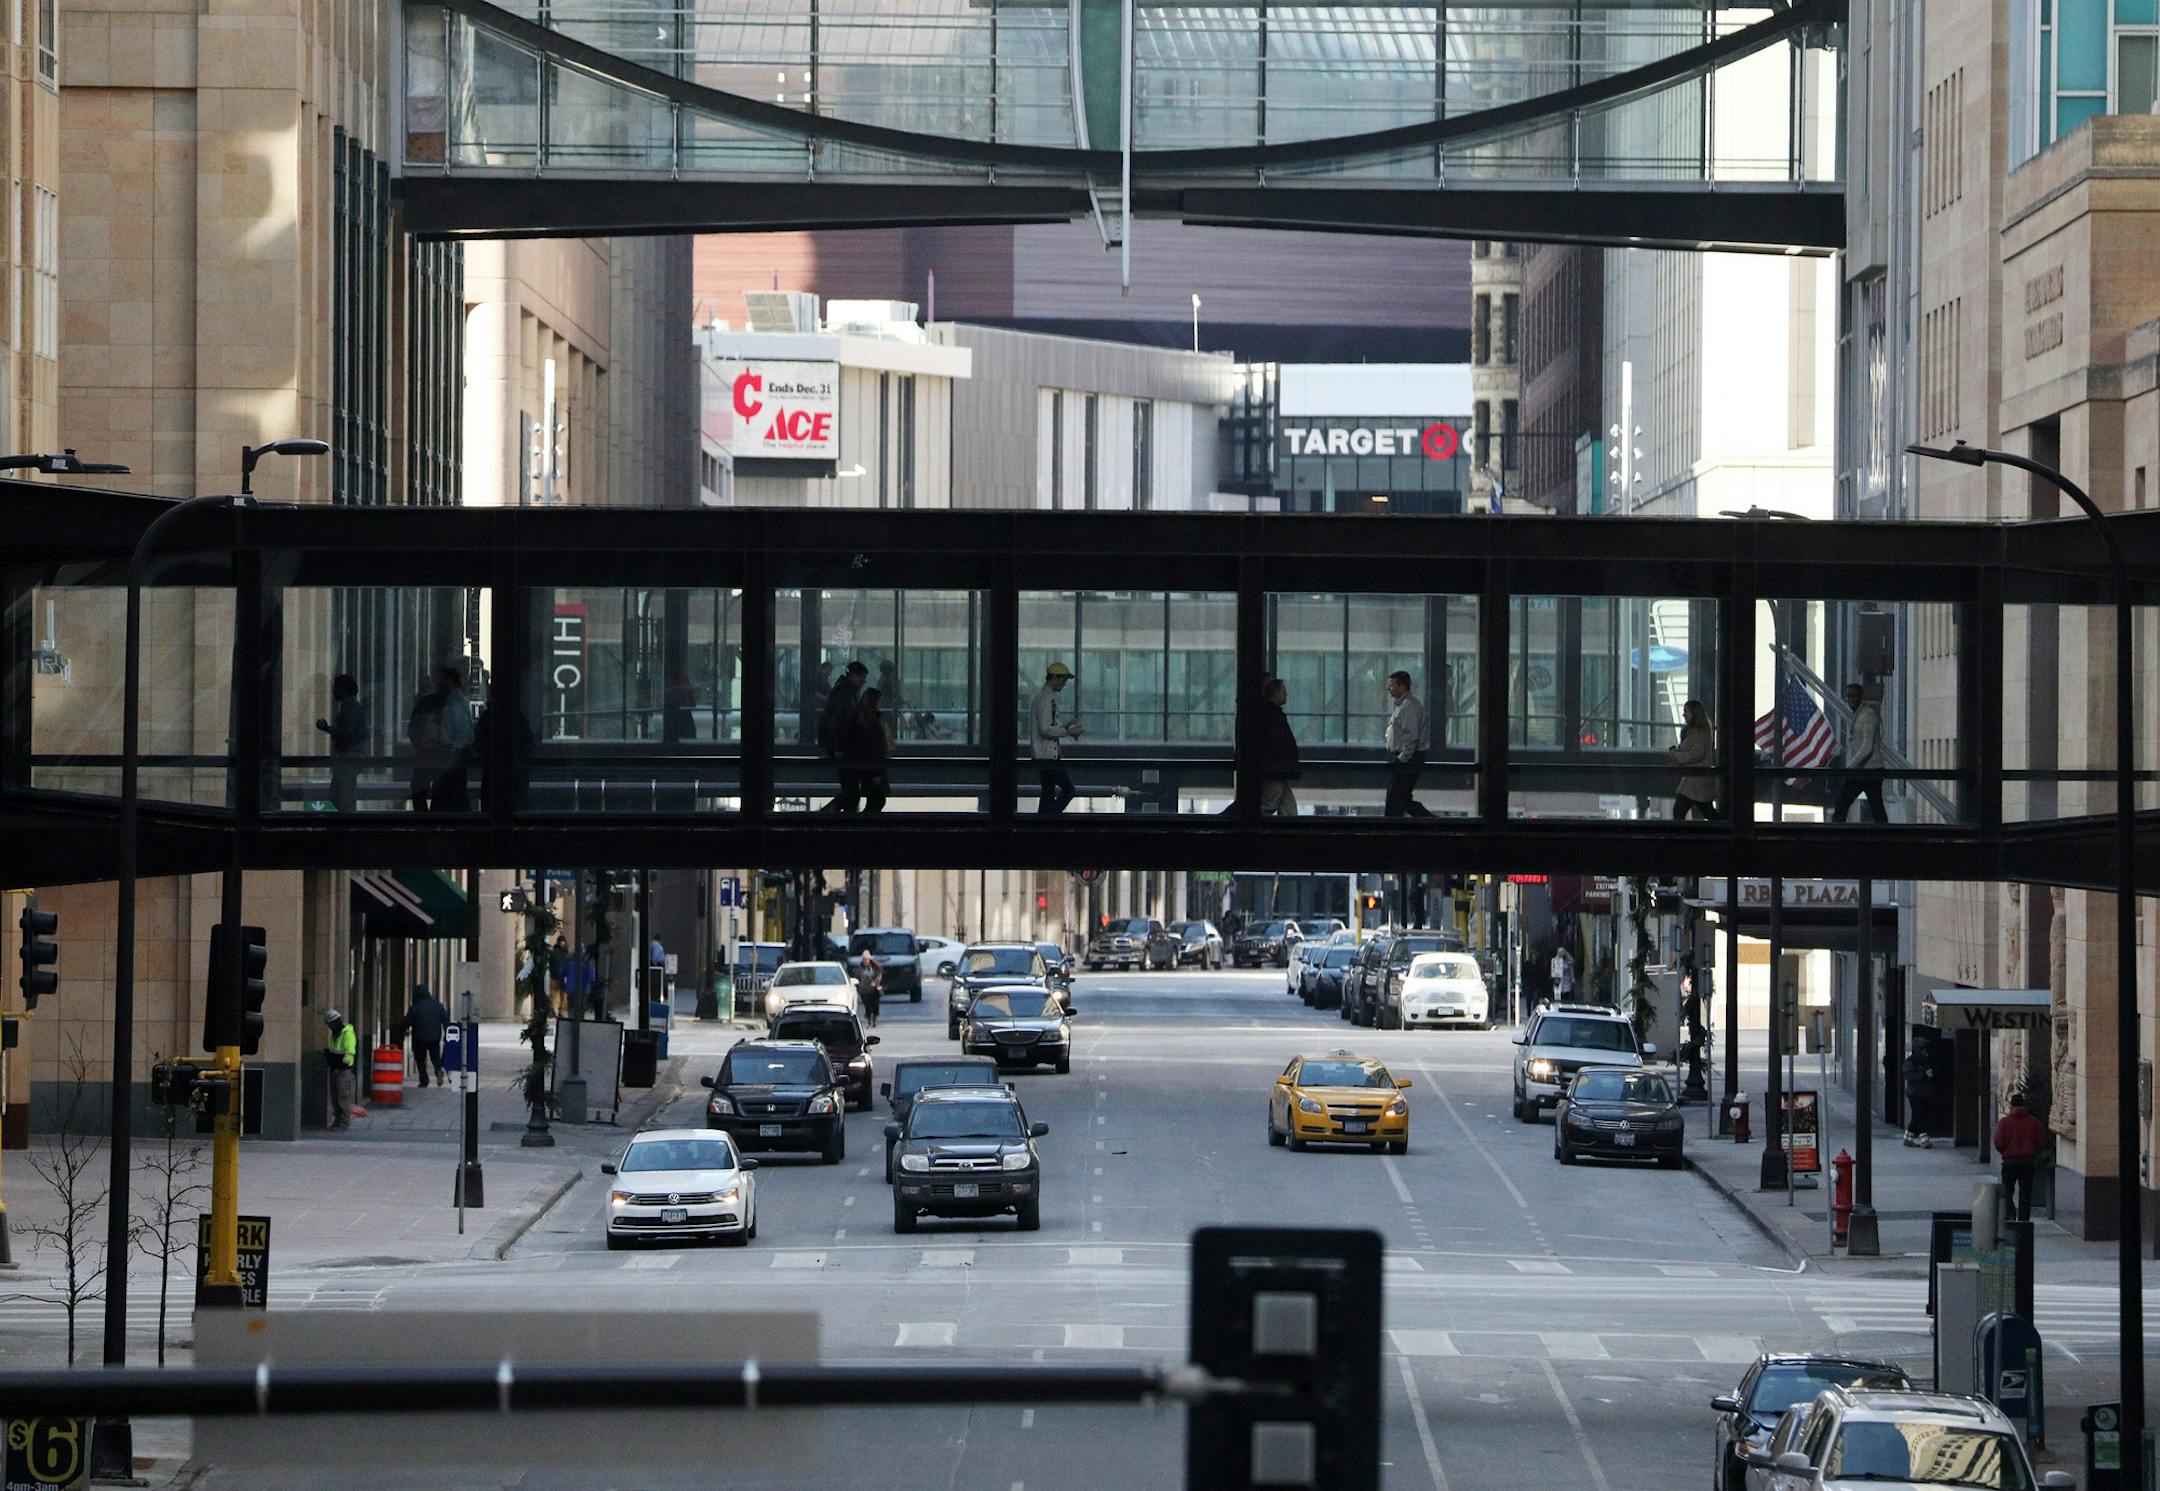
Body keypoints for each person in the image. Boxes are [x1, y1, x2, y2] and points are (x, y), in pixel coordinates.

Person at [1832, 683, 1889, 824]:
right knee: (1876, 807)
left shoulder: (1867, 716)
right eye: (1848, 696)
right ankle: (1887, 836)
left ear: (1861, 697)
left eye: (1853, 696)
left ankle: (1833, 834)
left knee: (1843, 802)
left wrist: (1851, 765)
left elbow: (1867, 746)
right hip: (1868, 769)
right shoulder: (1862, 715)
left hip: (1867, 770)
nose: (1850, 699)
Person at [816, 661, 869, 812]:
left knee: (850, 791)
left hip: (842, 746)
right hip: (844, 747)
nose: (863, 681)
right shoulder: (846, 694)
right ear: (853, 676)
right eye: (862, 677)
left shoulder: (843, 691)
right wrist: (839, 747)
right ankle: (830, 815)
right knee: (851, 791)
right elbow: (839, 722)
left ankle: (829, 815)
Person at [1032, 662, 1083, 814]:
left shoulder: (1045, 697)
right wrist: (1069, 732)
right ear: (1054, 677)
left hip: (1044, 754)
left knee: (1047, 792)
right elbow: (1045, 729)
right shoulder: (1046, 699)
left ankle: (1042, 823)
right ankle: (1047, 820)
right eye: (1063, 680)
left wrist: (1066, 727)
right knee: (1069, 790)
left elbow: (1048, 726)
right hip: (1048, 756)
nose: (1065, 684)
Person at [1383, 670, 1433, 818]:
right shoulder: (1405, 705)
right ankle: (1432, 823)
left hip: (1408, 759)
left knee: (1395, 798)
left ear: (1402, 686)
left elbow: (1411, 737)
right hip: (1408, 758)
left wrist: (1402, 759)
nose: (1388, 689)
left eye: (1392, 686)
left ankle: (1394, 830)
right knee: (1402, 799)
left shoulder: (1408, 706)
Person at [315, 674, 366, 813]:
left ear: (343, 689)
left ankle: (348, 825)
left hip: (349, 756)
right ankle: (348, 824)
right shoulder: (351, 706)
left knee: (342, 796)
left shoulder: (350, 707)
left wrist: (327, 728)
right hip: (351, 756)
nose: (333, 691)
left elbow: (346, 732)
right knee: (342, 795)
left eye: (335, 688)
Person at [1993, 1091, 2046, 1221]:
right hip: (2028, 1162)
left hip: (2009, 1162)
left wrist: (2005, 1153)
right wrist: (2033, 1152)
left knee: (2007, 1192)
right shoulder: (2034, 1122)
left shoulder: (2004, 1122)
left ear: (2011, 1107)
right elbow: (2040, 1141)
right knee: (2025, 1194)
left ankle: (2010, 1215)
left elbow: (1998, 1142)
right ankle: (2024, 1221)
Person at [1255, 677, 1302, 816]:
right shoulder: (1273, 715)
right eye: (1283, 691)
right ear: (1275, 692)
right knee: (1270, 804)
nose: (1286, 694)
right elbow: (1279, 743)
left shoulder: (1266, 713)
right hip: (1275, 769)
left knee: (1286, 805)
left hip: (1276, 769)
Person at [1668, 698, 1720, 820]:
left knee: (1679, 811)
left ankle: (1681, 836)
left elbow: (1696, 754)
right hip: (1698, 781)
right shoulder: (1701, 730)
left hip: (1695, 780)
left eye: (1686, 711)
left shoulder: (1698, 732)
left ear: (1694, 713)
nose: (1683, 714)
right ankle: (1721, 832)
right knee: (1707, 812)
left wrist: (1675, 754)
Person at [396, 983, 450, 1089]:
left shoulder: (416, 1007)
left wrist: (402, 1030)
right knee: (435, 1057)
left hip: (419, 1038)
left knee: (420, 1059)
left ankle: (424, 1080)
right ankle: (438, 1070)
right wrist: (446, 1035)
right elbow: (445, 1020)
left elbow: (407, 1022)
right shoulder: (437, 1005)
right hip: (434, 1037)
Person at [323, 1009, 357, 1130]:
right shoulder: (335, 1034)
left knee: (342, 1097)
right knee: (335, 1097)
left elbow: (349, 1055)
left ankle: (344, 1123)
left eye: (331, 1024)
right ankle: (337, 1121)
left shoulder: (347, 1034)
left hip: (343, 1070)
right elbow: (335, 1051)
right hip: (335, 1069)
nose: (330, 1027)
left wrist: (338, 1065)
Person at [1902, 1034, 1936, 1148]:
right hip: (1915, 1093)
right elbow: (1911, 1078)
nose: (1925, 1052)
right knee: (1919, 1115)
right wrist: (1924, 1075)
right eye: (1923, 1049)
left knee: (1918, 1115)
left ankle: (1908, 1137)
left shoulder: (1925, 1062)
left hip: (1924, 1093)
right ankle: (1924, 1139)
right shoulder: (1910, 1062)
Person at [855, 948, 884, 1027]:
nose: (865, 961)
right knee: (867, 1007)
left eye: (866, 959)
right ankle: (869, 1021)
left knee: (875, 1006)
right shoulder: (859, 968)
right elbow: (857, 977)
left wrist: (875, 982)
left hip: (874, 991)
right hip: (864, 991)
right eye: (864, 960)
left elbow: (879, 975)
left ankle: (874, 1020)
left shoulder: (875, 967)